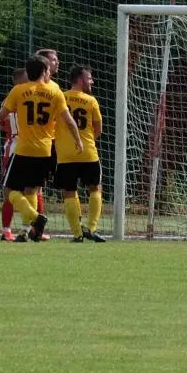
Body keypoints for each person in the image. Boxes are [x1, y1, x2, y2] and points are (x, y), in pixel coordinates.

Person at [0, 54, 66, 242]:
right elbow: (64, 119)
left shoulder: (19, 92)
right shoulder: (54, 91)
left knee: (11, 189)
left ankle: (30, 224)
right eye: (52, 60)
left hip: (21, 146)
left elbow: (1, 117)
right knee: (32, 190)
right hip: (44, 148)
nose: (56, 64)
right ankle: (23, 230)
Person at [51, 64, 107, 242]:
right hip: (87, 152)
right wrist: (86, 140)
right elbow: (98, 129)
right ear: (81, 80)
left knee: (69, 191)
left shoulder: (60, 97)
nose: (92, 81)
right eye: (89, 78)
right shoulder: (91, 101)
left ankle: (77, 233)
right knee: (95, 187)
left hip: (65, 154)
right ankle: (91, 228)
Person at [0, 65, 24, 241]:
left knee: (33, 189)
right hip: (17, 146)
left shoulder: (9, 99)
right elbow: (2, 120)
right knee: (11, 189)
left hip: (20, 145)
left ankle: (28, 228)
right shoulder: (17, 97)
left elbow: (1, 122)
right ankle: (8, 229)